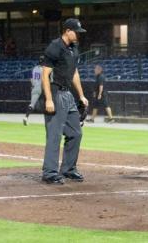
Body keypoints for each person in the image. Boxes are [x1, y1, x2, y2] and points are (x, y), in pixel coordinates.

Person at [40, 18, 89, 185]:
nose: (78, 35)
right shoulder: (55, 47)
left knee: (75, 133)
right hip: (54, 93)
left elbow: (74, 73)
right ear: (67, 31)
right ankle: (49, 173)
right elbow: (45, 75)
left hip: (67, 95)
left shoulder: (73, 48)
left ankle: (68, 169)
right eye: (76, 32)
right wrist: (48, 99)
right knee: (54, 135)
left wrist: (81, 95)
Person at [23, 55, 44, 126]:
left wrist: (33, 85)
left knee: (32, 104)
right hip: (42, 88)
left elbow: (31, 79)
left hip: (35, 87)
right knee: (51, 102)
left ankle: (26, 117)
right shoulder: (44, 69)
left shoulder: (34, 68)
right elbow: (45, 80)